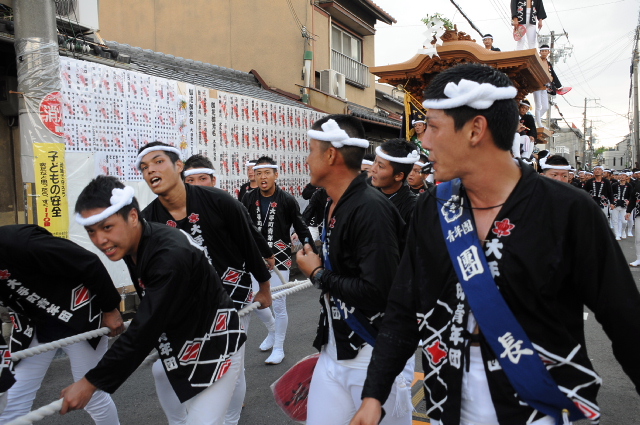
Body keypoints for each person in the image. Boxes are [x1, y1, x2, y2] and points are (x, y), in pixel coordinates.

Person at [351, 63, 640, 425]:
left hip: (539, 404)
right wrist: (374, 394)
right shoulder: (433, 207)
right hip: (447, 397)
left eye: (434, 127)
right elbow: (403, 307)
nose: (424, 143)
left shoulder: (568, 210)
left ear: (475, 129)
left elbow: (625, 320)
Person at [62, 176, 246, 425]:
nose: (100, 240)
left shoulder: (169, 255)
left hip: (217, 343)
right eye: (91, 231)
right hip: (181, 339)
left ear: (133, 217)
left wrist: (90, 382)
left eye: (107, 227)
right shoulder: (134, 244)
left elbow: (145, 327)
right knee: (164, 376)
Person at [136, 142, 272, 425]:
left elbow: (248, 244)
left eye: (158, 162)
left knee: (231, 366)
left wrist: (264, 287)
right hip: (185, 304)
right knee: (167, 368)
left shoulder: (221, 201)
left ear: (177, 166)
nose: (151, 171)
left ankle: (231, 419)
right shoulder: (148, 219)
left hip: (232, 293)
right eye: (145, 167)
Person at [296, 114, 414, 425]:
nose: (307, 159)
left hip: (371, 355)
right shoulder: (333, 201)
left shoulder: (370, 209)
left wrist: (318, 274)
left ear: (330, 155)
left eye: (311, 150)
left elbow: (379, 291)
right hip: (334, 348)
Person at [0, 225, 122, 424]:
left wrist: (110, 309)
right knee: (11, 403)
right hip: (33, 326)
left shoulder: (18, 241)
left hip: (78, 316)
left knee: (92, 396)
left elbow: (88, 261)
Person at [241, 156, 313, 365]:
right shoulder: (248, 198)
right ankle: (272, 330)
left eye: (267, 173)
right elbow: (240, 226)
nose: (262, 177)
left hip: (279, 256)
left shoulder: (287, 199)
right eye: (258, 173)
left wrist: (310, 249)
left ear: (276, 175)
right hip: (255, 257)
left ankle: (279, 347)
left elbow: (301, 227)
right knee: (256, 301)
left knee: (279, 304)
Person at [370, 139, 418, 226]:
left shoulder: (412, 208)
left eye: (380, 166)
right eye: (375, 161)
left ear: (398, 176)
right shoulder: (366, 190)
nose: (373, 169)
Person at [611, 172, 632, 240]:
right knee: (615, 220)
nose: (622, 177)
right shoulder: (614, 185)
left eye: (624, 175)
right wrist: (611, 202)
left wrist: (629, 201)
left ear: (627, 177)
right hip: (615, 204)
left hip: (624, 205)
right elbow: (611, 194)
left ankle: (623, 231)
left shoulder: (629, 186)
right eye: (621, 175)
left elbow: (631, 195)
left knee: (624, 221)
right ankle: (617, 234)